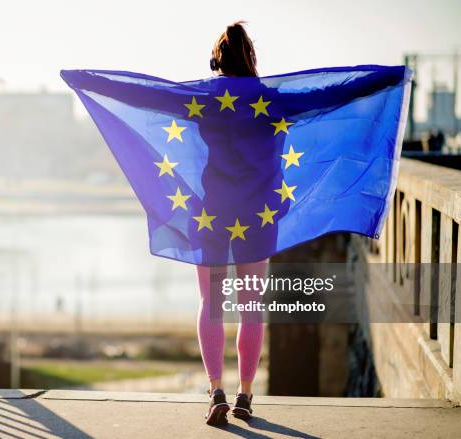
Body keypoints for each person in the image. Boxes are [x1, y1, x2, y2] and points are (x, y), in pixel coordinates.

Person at [199, 21, 268, 427]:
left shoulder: (202, 95)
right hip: (257, 213)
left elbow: (146, 96)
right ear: (250, 57)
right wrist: (382, 83)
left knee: (211, 305)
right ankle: (244, 396)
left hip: (212, 211)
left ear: (216, 59)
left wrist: (90, 82)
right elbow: (326, 95)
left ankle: (216, 392)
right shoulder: (269, 99)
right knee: (250, 307)